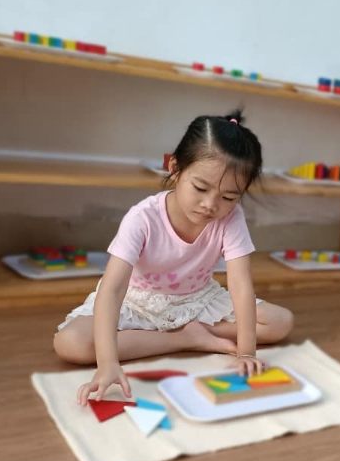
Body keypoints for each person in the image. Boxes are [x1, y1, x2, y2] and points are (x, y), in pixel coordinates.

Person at [54, 110, 294, 404]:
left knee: (280, 322)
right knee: (72, 343)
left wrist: (246, 353)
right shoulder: (142, 218)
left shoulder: (231, 218)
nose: (210, 205)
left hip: (197, 300)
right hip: (138, 302)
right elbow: (113, 289)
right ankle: (186, 338)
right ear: (175, 167)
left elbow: (240, 284)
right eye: (200, 188)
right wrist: (107, 364)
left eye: (229, 197)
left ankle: (190, 331)